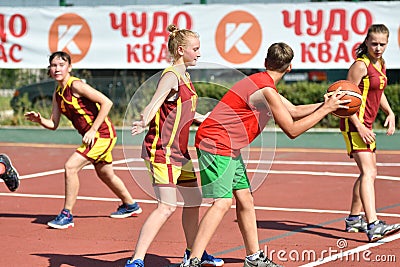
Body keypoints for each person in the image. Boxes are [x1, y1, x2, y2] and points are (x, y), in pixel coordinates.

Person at [183, 42, 349, 267]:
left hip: (228, 145)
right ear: (289, 68)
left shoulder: (261, 83)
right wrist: (327, 110)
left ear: (265, 62)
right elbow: (291, 129)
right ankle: (192, 260)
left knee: (245, 199)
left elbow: (293, 111)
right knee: (222, 203)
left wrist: (327, 103)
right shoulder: (266, 90)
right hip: (216, 143)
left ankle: (254, 258)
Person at [124, 25, 223, 267]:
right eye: (195, 49)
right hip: (162, 151)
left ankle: (193, 252)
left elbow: (184, 111)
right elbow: (155, 102)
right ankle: (136, 260)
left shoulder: (186, 77)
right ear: (181, 50)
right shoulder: (171, 76)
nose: (199, 53)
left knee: (193, 201)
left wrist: (205, 118)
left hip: (179, 153)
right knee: (166, 207)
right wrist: (144, 120)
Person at [24, 51, 142, 229]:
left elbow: (107, 102)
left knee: (70, 167)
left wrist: (93, 130)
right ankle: (130, 205)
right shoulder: (58, 93)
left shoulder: (76, 85)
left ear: (69, 68)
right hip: (94, 138)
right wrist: (39, 119)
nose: (57, 69)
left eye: (61, 65)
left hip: (103, 135)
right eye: (53, 66)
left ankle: (67, 214)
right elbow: (54, 123)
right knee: (106, 174)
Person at [341, 24, 400, 242]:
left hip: (367, 124)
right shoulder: (360, 66)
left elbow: (378, 90)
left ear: (387, 44)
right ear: (366, 42)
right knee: (369, 172)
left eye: (382, 44)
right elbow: (345, 99)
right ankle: (373, 224)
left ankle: (354, 219)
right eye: (374, 43)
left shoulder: (380, 63)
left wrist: (390, 112)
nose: (377, 48)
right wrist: (359, 126)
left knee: (368, 171)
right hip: (354, 124)